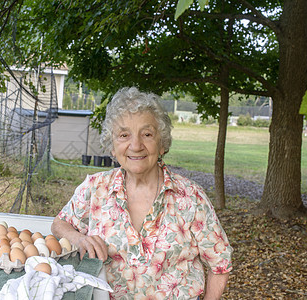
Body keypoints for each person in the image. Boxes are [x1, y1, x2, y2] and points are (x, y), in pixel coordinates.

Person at [51, 87, 233, 299]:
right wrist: (78, 238)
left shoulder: (191, 196)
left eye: (147, 134)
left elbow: (220, 264)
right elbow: (59, 224)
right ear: (112, 146)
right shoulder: (95, 188)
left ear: (162, 143)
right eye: (124, 135)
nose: (135, 145)